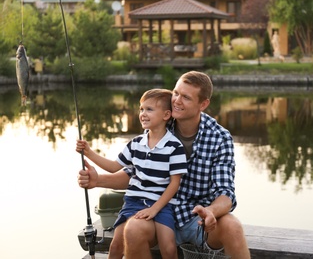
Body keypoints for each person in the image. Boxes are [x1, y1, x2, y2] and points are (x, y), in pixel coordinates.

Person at [77, 71, 251, 259]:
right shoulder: (158, 123)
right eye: (176, 93)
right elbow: (137, 174)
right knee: (133, 229)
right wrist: (98, 180)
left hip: (197, 220)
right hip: (158, 213)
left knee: (233, 227)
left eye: (186, 97)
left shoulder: (219, 137)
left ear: (203, 104)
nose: (176, 100)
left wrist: (210, 211)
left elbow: (225, 193)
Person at [76, 88, 188, 259]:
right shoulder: (135, 144)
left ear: (166, 115)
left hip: (163, 205)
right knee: (115, 247)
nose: (143, 113)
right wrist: (89, 152)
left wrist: (155, 208)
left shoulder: (174, 147)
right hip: (133, 202)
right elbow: (114, 166)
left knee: (169, 249)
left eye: (149, 109)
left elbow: (175, 183)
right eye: (141, 109)